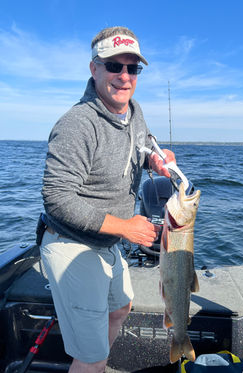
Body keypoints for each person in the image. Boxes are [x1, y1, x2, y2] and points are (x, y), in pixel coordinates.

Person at [40, 26, 175, 373]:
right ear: (94, 69)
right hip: (71, 243)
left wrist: (156, 161)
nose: (124, 77)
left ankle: (96, 354)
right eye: (114, 66)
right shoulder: (76, 125)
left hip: (108, 243)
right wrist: (126, 228)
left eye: (133, 68)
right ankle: (93, 360)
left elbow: (142, 143)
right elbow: (56, 198)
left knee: (120, 309)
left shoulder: (134, 111)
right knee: (92, 357)